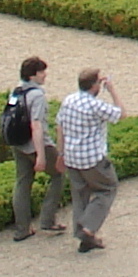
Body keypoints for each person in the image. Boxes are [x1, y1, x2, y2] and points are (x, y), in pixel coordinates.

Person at [55, 65, 126, 253]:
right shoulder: (95, 105)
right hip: (92, 160)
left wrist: (60, 154)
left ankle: (84, 238)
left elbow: (60, 127)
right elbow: (121, 114)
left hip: (71, 158)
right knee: (107, 189)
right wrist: (112, 90)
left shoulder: (68, 100)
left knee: (80, 196)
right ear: (94, 85)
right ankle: (88, 228)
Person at [4, 54, 64, 242]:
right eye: (41, 72)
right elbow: (36, 125)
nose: (45, 75)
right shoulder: (37, 95)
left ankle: (22, 228)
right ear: (32, 75)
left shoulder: (16, 91)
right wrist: (40, 155)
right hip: (37, 145)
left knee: (22, 182)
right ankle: (47, 219)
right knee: (59, 174)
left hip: (18, 143)